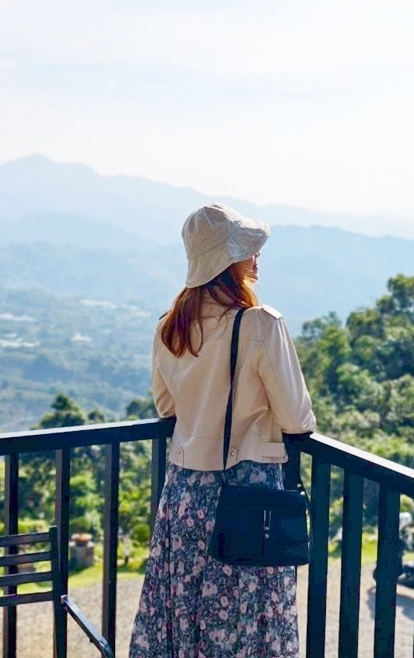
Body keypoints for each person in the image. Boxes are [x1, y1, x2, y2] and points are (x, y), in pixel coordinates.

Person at [129, 203, 317, 658]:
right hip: (245, 497)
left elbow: (166, 407)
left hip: (183, 496)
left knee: (183, 617)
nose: (256, 256)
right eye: (248, 248)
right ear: (228, 260)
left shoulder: (169, 327)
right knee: (245, 624)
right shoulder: (260, 324)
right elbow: (297, 419)